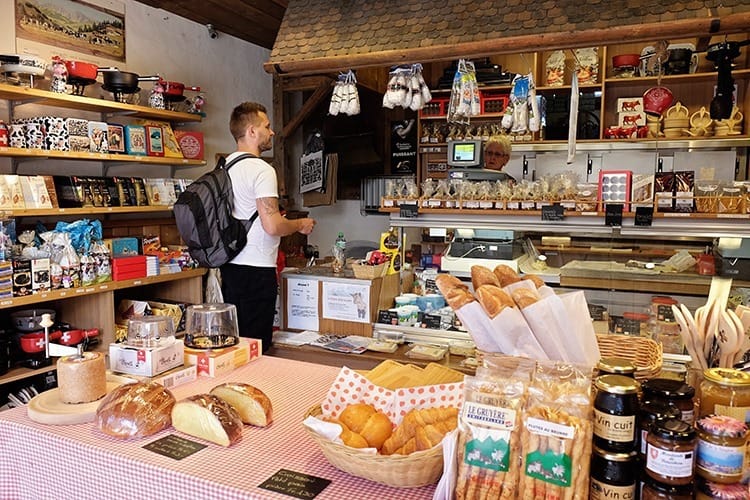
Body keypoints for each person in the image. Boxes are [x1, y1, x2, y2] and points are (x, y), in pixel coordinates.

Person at [220, 102, 316, 352]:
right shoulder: (262, 169)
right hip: (257, 269)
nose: (272, 132)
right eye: (267, 126)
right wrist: (300, 224)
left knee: (236, 346)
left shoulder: (225, 166)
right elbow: (272, 225)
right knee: (257, 348)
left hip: (230, 266)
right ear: (251, 131)